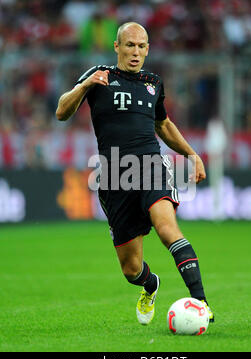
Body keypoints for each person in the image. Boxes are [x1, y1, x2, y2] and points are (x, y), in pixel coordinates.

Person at [56, 22, 214, 325]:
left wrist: (192, 155)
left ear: (148, 49)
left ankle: (203, 304)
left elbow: (163, 126)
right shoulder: (98, 76)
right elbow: (62, 112)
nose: (136, 52)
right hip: (115, 176)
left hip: (152, 166)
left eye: (142, 46)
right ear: (117, 47)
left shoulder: (153, 83)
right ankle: (150, 284)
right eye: (130, 45)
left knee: (168, 231)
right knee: (131, 270)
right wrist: (86, 85)